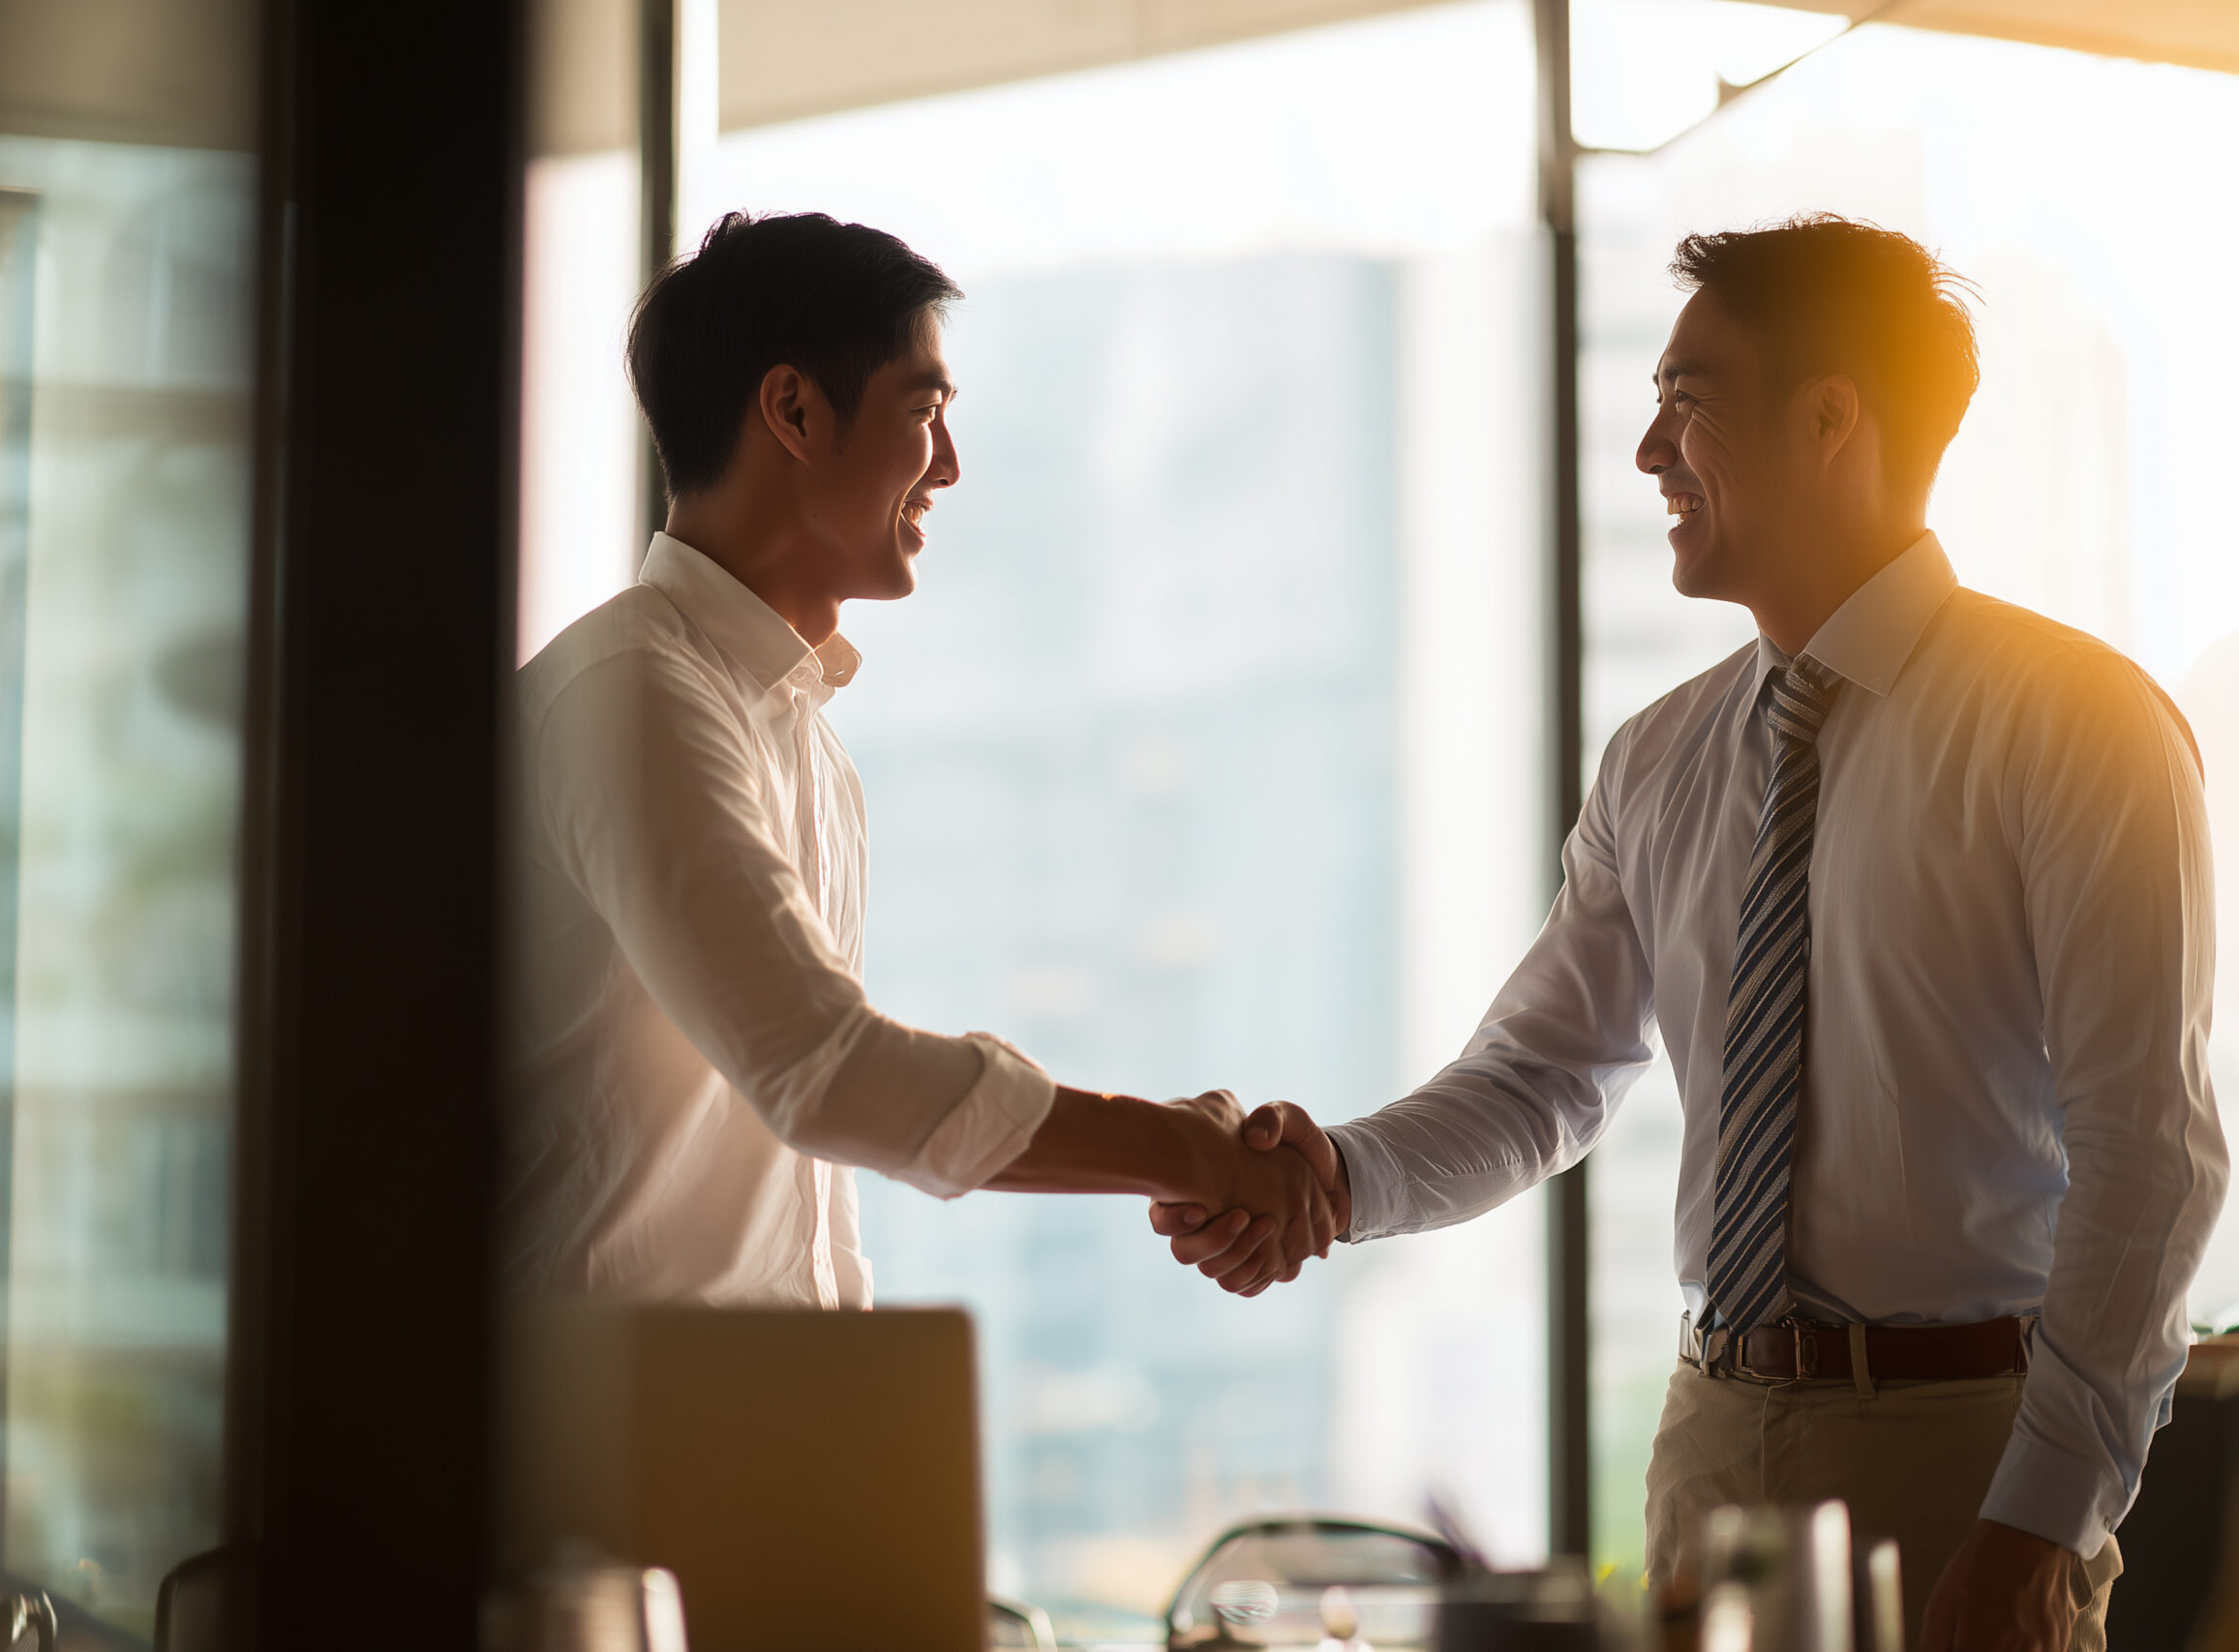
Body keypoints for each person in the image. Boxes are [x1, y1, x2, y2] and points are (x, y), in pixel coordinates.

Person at [1153, 216, 2225, 1652]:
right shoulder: (1661, 756)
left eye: (1686, 405)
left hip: (1965, 1449)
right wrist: (1336, 1175)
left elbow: (2149, 1150)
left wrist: (2041, 1512)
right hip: (1709, 1441)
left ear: (1831, 418)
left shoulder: (2077, 726)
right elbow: (1541, 1076)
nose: (1650, 453)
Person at [505, 210, 1334, 1309]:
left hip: (735, 1428)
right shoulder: (630, 693)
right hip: (599, 1442)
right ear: (794, 411)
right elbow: (825, 1071)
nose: (947, 464)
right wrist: (1188, 1153)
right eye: (922, 409)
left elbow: (805, 1174)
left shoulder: (801, 741)